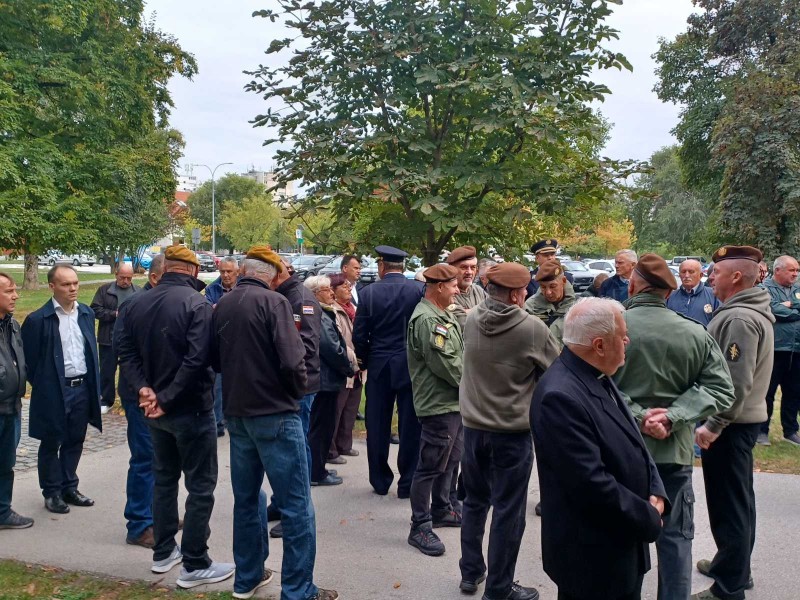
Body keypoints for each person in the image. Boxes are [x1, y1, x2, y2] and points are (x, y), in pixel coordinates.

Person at [213, 246, 338, 600]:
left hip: (238, 415)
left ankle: (247, 577)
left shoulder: (224, 303)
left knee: (247, 498)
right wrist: (296, 393)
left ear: (242, 272)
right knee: (297, 506)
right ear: (268, 274)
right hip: (276, 415)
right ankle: (298, 590)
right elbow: (294, 359)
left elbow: (214, 360)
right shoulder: (274, 303)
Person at [613, 254, 735, 600]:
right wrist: (672, 416)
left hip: (621, 453)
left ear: (633, 286)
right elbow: (722, 388)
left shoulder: (613, 327)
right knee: (677, 542)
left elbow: (592, 385)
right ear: (668, 293)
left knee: (621, 542)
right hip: (673, 454)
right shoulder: (693, 332)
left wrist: (639, 415)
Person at [531, 297, 667, 600]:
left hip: (619, 546)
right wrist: (647, 515)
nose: (627, 341)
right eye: (622, 335)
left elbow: (633, 440)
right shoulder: (560, 396)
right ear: (599, 344)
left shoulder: (594, 372)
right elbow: (590, 483)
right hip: (592, 558)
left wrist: (657, 489)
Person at [116, 245, 234, 589]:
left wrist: (145, 391)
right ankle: (195, 562)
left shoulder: (135, 302)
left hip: (155, 408)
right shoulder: (197, 304)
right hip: (189, 408)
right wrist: (161, 397)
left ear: (166, 268)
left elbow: (126, 352)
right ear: (194, 271)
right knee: (200, 486)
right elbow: (199, 359)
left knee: (164, 479)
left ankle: (164, 551)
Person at [459, 262, 559, 600]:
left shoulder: (471, 318)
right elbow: (556, 373)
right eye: (525, 290)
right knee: (508, 512)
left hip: (472, 429)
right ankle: (499, 589)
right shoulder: (531, 328)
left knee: (474, 502)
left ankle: (471, 573)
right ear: (517, 294)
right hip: (510, 434)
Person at [692, 246, 774, 600]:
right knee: (737, 501)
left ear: (736, 277)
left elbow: (735, 383)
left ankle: (729, 588)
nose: (711, 278)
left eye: (716, 272)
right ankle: (733, 565)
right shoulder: (742, 311)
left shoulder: (739, 318)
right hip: (738, 424)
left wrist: (713, 425)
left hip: (731, 425)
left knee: (730, 506)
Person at [21, 265, 102, 514]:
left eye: (75, 283)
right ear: (52, 286)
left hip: (82, 387)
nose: (73, 288)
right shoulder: (38, 320)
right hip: (54, 389)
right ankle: (52, 492)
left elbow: (90, 352)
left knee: (75, 439)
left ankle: (69, 486)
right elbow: (30, 362)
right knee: (51, 440)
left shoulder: (86, 313)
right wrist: (46, 386)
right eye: (66, 284)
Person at [353, 245, 424, 497]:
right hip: (408, 363)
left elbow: (359, 334)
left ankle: (380, 480)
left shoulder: (368, 293)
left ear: (382, 267)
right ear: (402, 267)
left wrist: (364, 359)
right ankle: (408, 482)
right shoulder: (417, 290)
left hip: (380, 363)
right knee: (410, 426)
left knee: (377, 424)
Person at [406, 264, 464, 556]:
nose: (458, 289)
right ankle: (420, 525)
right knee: (429, 466)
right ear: (439, 286)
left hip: (451, 402)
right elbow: (445, 364)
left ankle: (442, 509)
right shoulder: (429, 320)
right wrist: (471, 385)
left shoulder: (442, 314)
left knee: (450, 460)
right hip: (438, 404)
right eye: (453, 285)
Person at [265, 254, 322, 538]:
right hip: (287, 385)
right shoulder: (283, 295)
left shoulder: (300, 299)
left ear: (276, 274)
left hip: (299, 386)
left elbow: (306, 348)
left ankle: (296, 511)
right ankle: (281, 502)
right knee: (284, 452)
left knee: (296, 451)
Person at [304, 275, 354, 486]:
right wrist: (347, 366)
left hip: (325, 378)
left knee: (322, 426)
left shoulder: (323, 312)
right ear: (315, 294)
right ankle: (316, 472)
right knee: (321, 427)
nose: (332, 293)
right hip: (324, 380)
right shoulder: (320, 315)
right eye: (326, 290)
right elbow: (331, 348)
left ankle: (318, 468)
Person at [0, 272, 33, 529]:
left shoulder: (12, 325)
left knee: (6, 462)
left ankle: (2, 512)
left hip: (12, 407)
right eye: (9, 291)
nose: (16, 295)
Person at [759, 255, 800, 446]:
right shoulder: (764, 289)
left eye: (797, 270)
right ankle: (761, 431)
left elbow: (782, 310)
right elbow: (773, 310)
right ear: (777, 270)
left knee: (793, 391)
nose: (795, 274)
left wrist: (789, 305)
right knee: (767, 392)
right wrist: (793, 309)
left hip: (796, 349)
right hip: (774, 349)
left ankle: (790, 430)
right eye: (792, 270)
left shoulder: (798, 288)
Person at [91, 263, 138, 414]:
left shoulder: (137, 291)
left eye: (129, 278)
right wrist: (113, 314)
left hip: (129, 339)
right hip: (108, 338)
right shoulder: (105, 290)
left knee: (128, 370)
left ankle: (128, 400)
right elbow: (95, 309)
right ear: (116, 275)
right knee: (107, 371)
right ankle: (106, 399)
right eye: (122, 277)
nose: (126, 281)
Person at [327, 274, 362, 464]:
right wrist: (354, 359)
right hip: (344, 365)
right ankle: (330, 450)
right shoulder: (333, 311)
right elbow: (338, 340)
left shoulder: (353, 309)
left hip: (358, 366)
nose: (349, 289)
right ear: (333, 290)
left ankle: (344, 444)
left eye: (349, 286)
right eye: (344, 286)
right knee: (336, 410)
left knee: (351, 408)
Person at [206, 256, 239, 438]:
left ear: (237, 272)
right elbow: (210, 312)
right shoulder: (212, 289)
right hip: (219, 342)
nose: (225, 275)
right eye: (222, 272)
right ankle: (218, 423)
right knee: (217, 386)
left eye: (229, 272)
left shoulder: (242, 287)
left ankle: (234, 419)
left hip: (240, 343)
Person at [524, 260, 576, 349]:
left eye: (553, 286)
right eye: (543, 287)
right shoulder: (529, 307)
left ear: (563, 281)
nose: (548, 292)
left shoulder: (578, 308)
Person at [665, 259, 719, 326]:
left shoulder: (714, 295)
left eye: (691, 272)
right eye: (683, 272)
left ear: (701, 275)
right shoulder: (670, 297)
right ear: (679, 275)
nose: (687, 275)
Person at [447, 246, 487, 329]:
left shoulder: (478, 290)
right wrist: (484, 311)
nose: (469, 272)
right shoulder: (447, 293)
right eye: (464, 267)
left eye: (473, 267)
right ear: (452, 269)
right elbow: (463, 323)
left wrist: (468, 312)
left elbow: (497, 311)